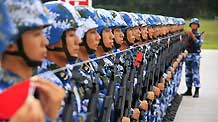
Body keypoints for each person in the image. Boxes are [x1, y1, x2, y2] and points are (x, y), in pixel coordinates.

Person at [0, 0, 65, 121]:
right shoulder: (5, 99)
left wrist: (49, 115)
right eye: (36, 34)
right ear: (10, 43)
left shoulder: (38, 90)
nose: (45, 42)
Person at [182, 18, 203, 98]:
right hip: (188, 55)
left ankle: (197, 90)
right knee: (188, 73)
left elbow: (199, 44)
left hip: (195, 56)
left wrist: (193, 37)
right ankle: (189, 90)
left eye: (195, 24)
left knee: (195, 73)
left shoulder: (199, 35)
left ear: (198, 26)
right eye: (192, 24)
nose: (194, 25)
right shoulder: (188, 33)